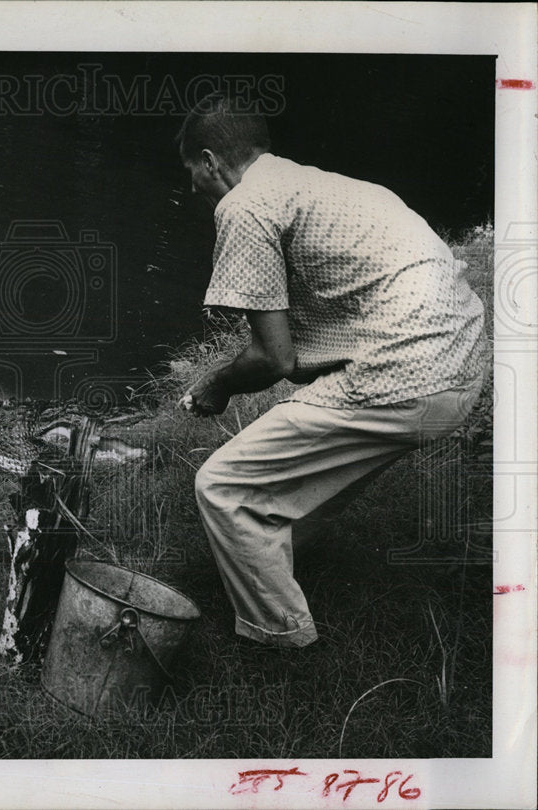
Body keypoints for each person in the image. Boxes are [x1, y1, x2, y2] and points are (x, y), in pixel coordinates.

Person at [177, 96, 485, 648]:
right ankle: (279, 560)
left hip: (407, 373)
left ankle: (279, 638)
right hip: (461, 363)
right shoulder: (318, 185)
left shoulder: (246, 203)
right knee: (306, 459)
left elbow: (275, 360)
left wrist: (215, 384)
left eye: (191, 173)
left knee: (222, 484)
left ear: (209, 161)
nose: (194, 187)